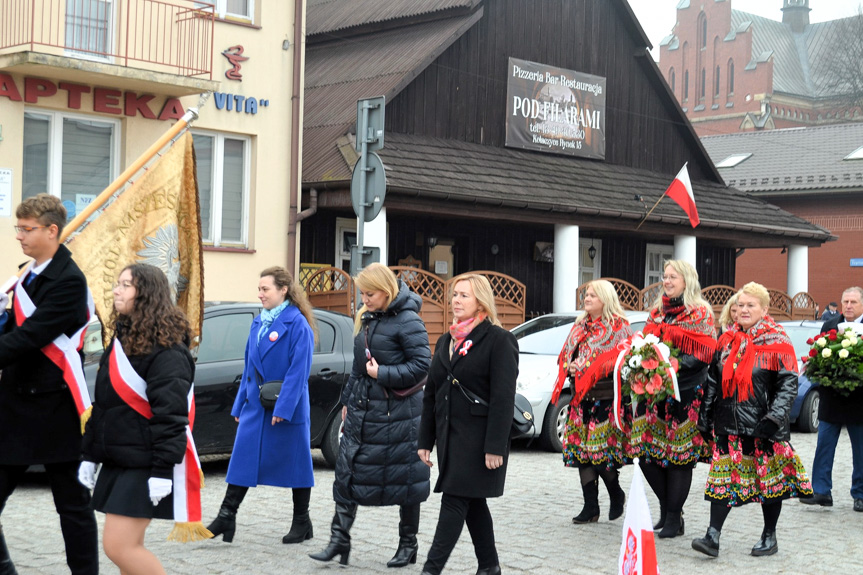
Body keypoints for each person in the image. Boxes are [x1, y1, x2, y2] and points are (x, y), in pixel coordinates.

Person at [80, 264, 205, 574]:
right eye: (117, 283)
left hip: (145, 462)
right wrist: (89, 455)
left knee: (120, 547)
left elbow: (171, 417)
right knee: (124, 553)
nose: (116, 290)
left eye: (125, 285)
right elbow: (105, 406)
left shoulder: (168, 351)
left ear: (146, 295)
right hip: (119, 458)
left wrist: (162, 470)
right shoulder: (121, 340)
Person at [0, 194, 99, 575]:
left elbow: (32, 337)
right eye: (18, 228)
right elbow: (13, 328)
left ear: (52, 230)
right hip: (14, 406)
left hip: (56, 408)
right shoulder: (25, 274)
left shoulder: (70, 280)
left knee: (72, 509)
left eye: (27, 229)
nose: (20, 236)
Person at [310, 262, 430, 567]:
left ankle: (408, 544)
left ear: (387, 291)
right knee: (347, 473)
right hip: (364, 410)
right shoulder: (368, 317)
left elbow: (422, 366)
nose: (364, 298)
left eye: (370, 293)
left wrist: (384, 373)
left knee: (406, 480)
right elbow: (359, 366)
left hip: (399, 416)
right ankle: (339, 540)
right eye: (362, 293)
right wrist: (347, 401)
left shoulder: (408, 321)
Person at [692, 282, 812, 558]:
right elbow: (713, 379)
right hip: (728, 424)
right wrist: (705, 413)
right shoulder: (727, 339)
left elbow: (788, 384)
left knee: (769, 484)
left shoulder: (777, 341)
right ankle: (712, 536)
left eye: (750, 305)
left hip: (763, 428)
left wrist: (774, 417)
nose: (743, 310)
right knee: (721, 480)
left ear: (765, 309)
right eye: (740, 306)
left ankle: (769, 536)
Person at [418, 273, 519, 575]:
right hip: (451, 439)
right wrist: (425, 440)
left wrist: (495, 447)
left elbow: (503, 398)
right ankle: (489, 566)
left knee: (454, 502)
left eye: (464, 296)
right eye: (455, 295)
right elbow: (431, 394)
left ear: (480, 301)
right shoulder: (446, 340)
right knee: (473, 504)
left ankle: (430, 570)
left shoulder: (499, 340)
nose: (456, 301)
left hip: (479, 442)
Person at [207, 267, 317, 543]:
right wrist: (239, 405)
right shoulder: (259, 322)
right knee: (243, 457)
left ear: (283, 290)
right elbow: (248, 368)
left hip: (285, 407)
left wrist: (284, 408)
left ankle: (302, 521)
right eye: (259, 289)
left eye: (265, 289)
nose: (260, 294)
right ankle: (226, 516)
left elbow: (298, 372)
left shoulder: (298, 324)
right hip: (257, 405)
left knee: (297, 463)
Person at [631, 260, 717, 539]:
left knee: (678, 459)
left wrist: (671, 369)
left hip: (687, 393)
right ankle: (671, 510)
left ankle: (671, 518)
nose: (666, 281)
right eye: (664, 276)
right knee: (647, 456)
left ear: (687, 280)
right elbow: (644, 344)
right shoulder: (657, 312)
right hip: (654, 393)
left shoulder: (700, 312)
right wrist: (643, 366)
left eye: (672, 277)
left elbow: (705, 353)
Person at [552, 280, 633, 524]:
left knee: (600, 454)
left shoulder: (619, 327)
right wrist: (572, 365)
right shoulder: (579, 326)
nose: (587, 299)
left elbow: (625, 362)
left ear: (605, 299)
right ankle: (590, 507)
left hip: (605, 399)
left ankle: (616, 493)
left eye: (593, 295)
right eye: (586, 295)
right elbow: (567, 355)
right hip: (580, 398)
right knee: (581, 455)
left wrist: (592, 369)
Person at [801, 286, 863, 511]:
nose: (848, 306)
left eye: (853, 302)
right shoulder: (829, 325)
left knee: (861, 450)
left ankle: (861, 494)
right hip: (831, 398)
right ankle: (821, 491)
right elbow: (816, 357)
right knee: (824, 445)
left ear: (862, 304)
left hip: (860, 399)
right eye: (845, 301)